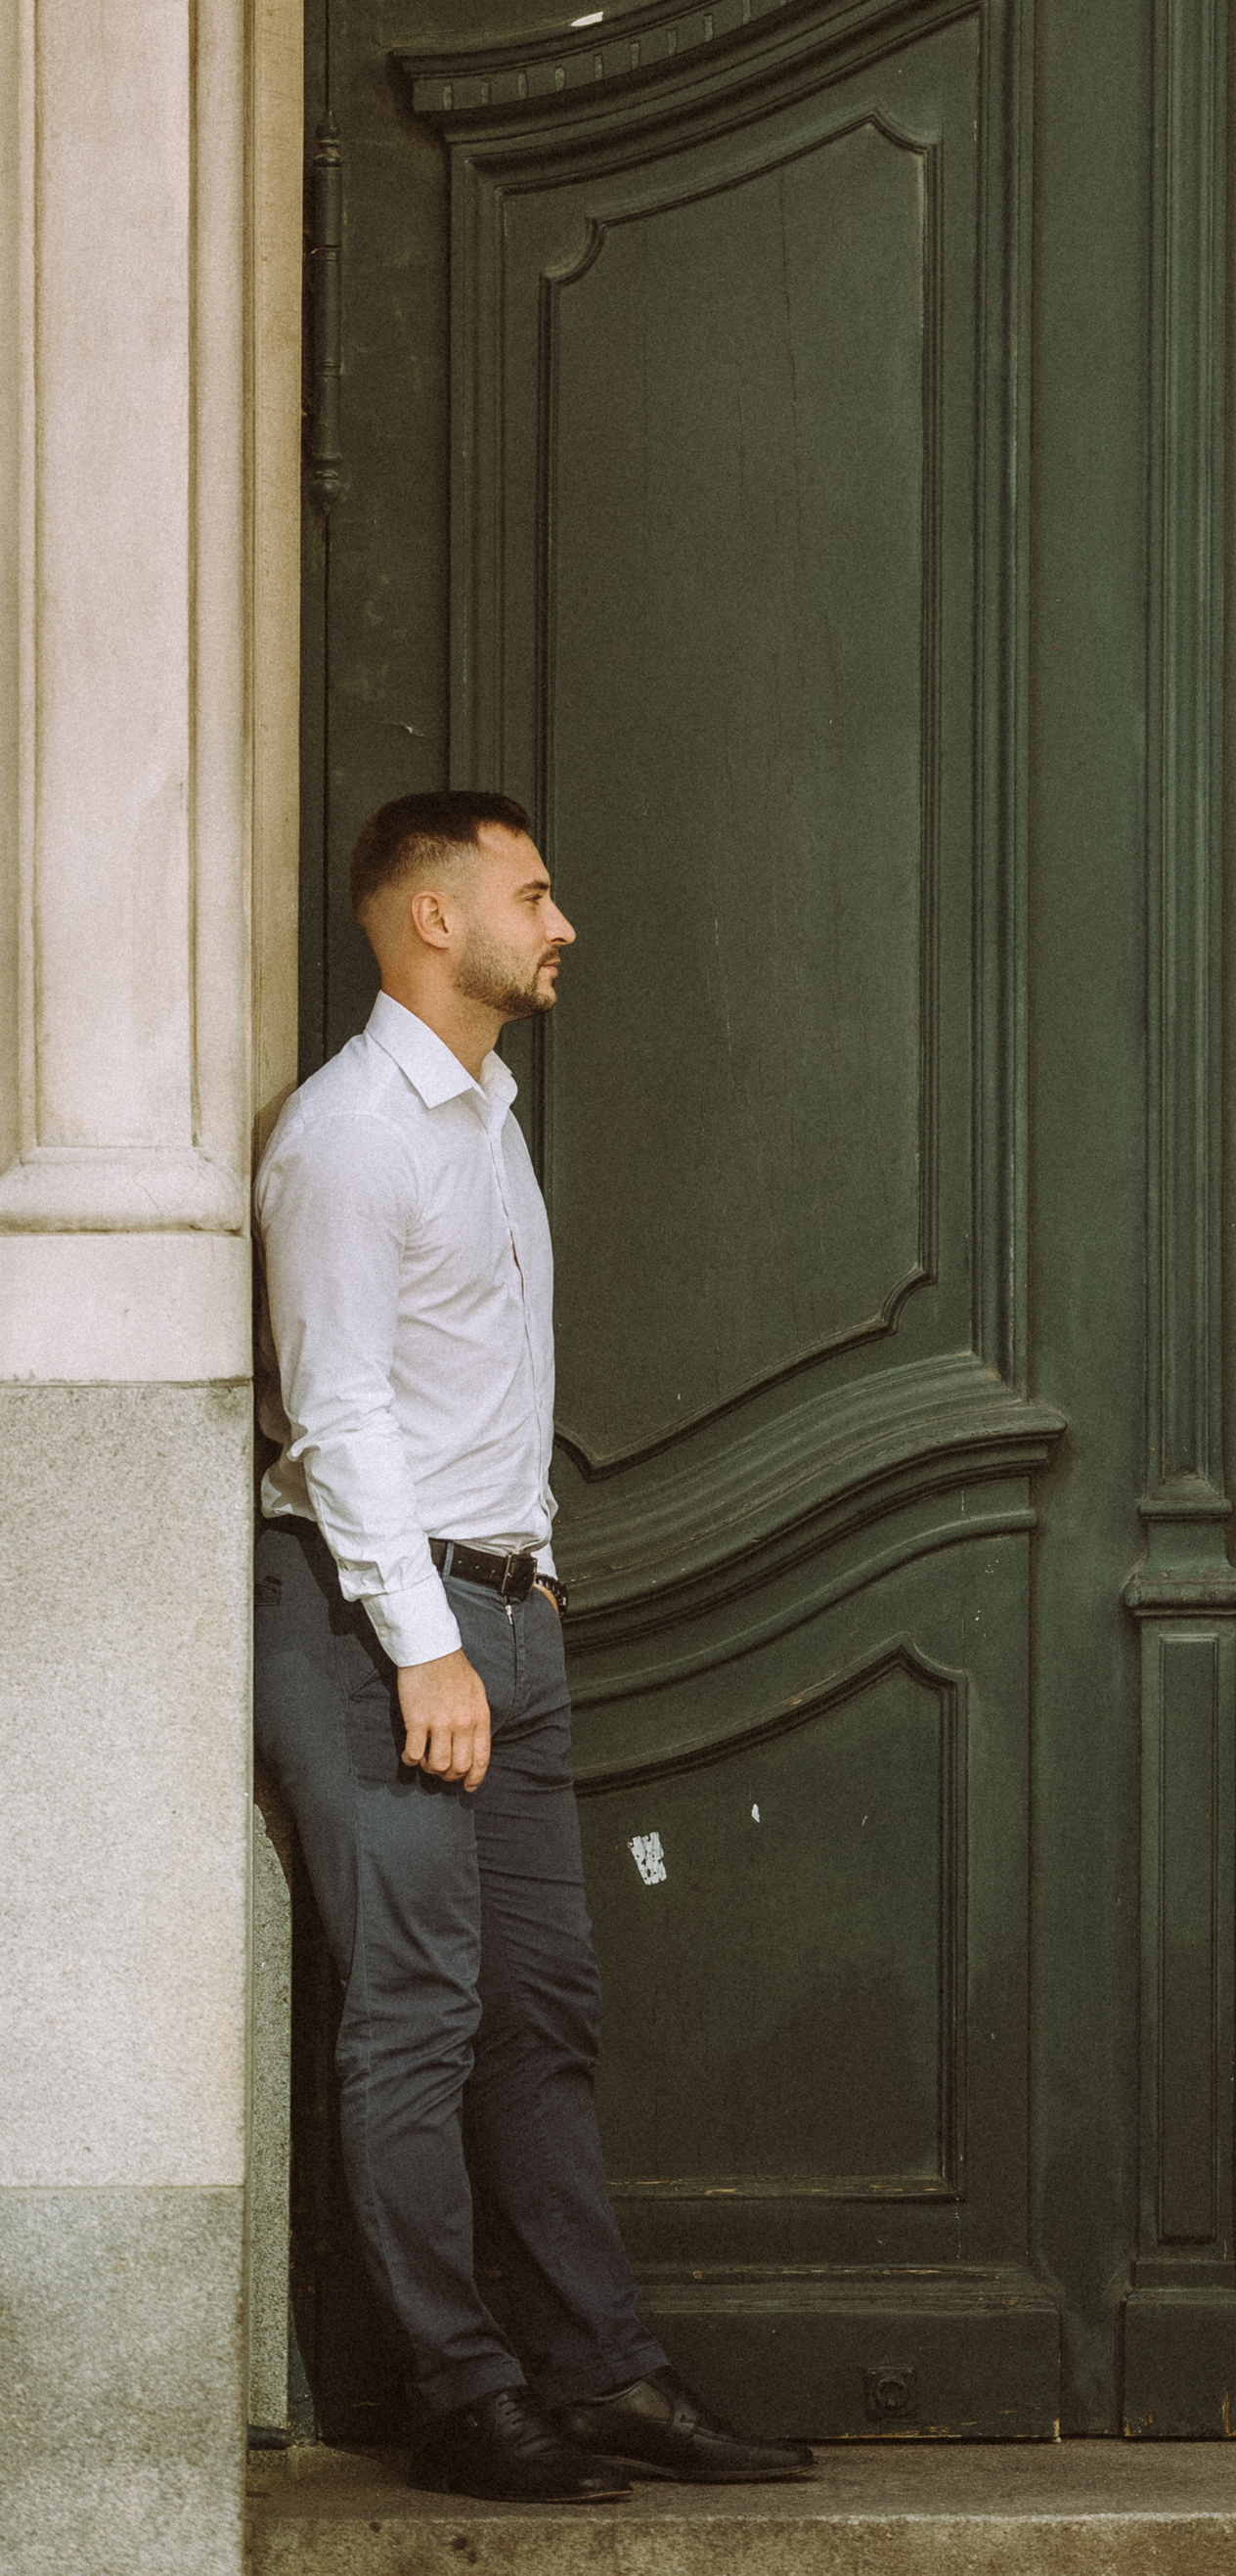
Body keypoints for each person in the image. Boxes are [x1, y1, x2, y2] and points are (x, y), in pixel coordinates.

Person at [253, 791, 817, 2506]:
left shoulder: (483, 1117)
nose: (562, 924)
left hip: (504, 1609)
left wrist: (532, 1587)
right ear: (433, 915)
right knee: (417, 2011)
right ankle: (459, 2394)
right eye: (535, 892)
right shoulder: (351, 1134)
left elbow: (483, 1396)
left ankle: (601, 2371)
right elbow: (340, 1409)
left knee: (542, 2012)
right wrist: (426, 1643)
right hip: (385, 1624)